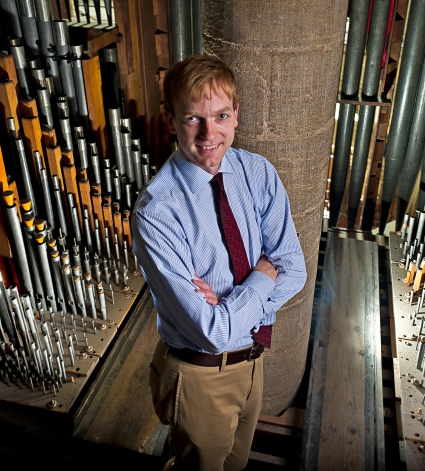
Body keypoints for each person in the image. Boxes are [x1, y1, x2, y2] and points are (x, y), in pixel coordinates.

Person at [131, 55, 306, 471]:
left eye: (221, 115)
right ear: (170, 121)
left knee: (236, 466)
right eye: (193, 118)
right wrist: (262, 277)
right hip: (199, 377)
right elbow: (212, 333)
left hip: (252, 363)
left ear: (236, 116)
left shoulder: (258, 173)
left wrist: (231, 308)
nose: (210, 133)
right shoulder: (157, 212)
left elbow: (295, 270)